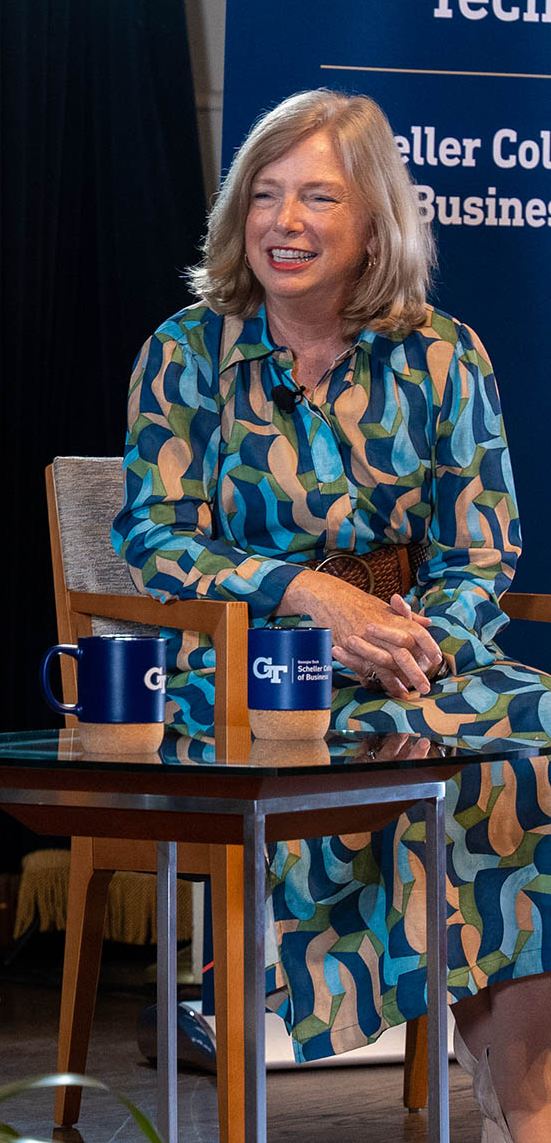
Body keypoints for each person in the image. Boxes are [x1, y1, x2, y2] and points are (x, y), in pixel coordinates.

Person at [115, 88, 551, 1141]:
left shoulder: (444, 355)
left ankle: (520, 1092)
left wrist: (418, 637)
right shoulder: (186, 352)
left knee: (529, 745)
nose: (284, 221)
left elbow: (480, 544)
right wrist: (303, 593)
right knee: (385, 752)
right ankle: (496, 1074)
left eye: (316, 195)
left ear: (371, 224)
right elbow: (154, 535)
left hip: (412, 657)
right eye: (263, 195)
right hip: (248, 668)